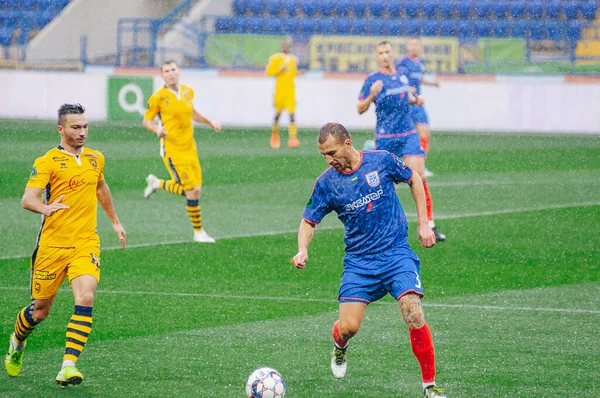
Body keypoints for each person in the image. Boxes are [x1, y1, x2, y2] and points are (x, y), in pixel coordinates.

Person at [292, 122, 447, 398]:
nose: (329, 160)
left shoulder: (381, 161)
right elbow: (308, 221)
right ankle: (340, 346)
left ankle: (429, 385)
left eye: (332, 152)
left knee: (412, 310)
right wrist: (303, 249)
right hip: (359, 263)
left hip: (395, 253)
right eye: (324, 155)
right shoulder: (327, 183)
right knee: (348, 328)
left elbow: (414, 178)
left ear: (347, 144)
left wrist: (424, 224)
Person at [4, 103, 126, 387]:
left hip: (85, 242)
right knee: (40, 311)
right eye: (75, 127)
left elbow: (100, 186)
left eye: (85, 127)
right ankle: (17, 342)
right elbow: (28, 199)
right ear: (61, 129)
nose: (82, 132)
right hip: (52, 247)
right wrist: (44, 209)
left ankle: (68, 365)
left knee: (86, 297)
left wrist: (115, 221)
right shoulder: (47, 161)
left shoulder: (96, 158)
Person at [358, 41, 446, 242]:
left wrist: (415, 100)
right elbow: (360, 108)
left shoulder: (403, 74)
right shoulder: (373, 79)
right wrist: (372, 94)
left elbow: (407, 95)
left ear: (393, 53)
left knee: (419, 176)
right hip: (385, 138)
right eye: (380, 53)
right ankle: (378, 226)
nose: (385, 56)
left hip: (407, 135)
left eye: (387, 51)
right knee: (379, 184)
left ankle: (428, 224)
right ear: (376, 57)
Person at [142, 60, 221, 243]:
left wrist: (211, 122)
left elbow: (192, 113)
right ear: (162, 75)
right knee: (191, 190)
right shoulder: (158, 98)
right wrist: (157, 130)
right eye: (167, 71)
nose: (171, 73)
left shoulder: (187, 91)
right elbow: (147, 120)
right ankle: (198, 232)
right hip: (172, 149)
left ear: (179, 71)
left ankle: (157, 184)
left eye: (173, 70)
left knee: (196, 190)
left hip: (190, 147)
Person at [396, 36, 440, 177]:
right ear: (407, 46)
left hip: (418, 103)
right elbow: (396, 79)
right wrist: (407, 89)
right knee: (398, 135)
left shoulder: (420, 62)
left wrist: (432, 83)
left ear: (420, 46)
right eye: (411, 44)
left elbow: (418, 79)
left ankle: (421, 165)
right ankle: (372, 147)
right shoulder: (402, 62)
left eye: (416, 44)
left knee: (425, 132)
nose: (414, 47)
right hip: (406, 103)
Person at [265, 40, 300, 149]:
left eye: (286, 46)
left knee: (292, 114)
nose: (285, 47)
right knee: (278, 114)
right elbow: (269, 72)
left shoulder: (293, 59)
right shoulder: (275, 58)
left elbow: (292, 74)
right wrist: (279, 70)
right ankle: (275, 135)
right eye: (283, 45)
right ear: (281, 46)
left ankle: (293, 138)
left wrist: (299, 73)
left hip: (290, 90)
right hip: (280, 90)